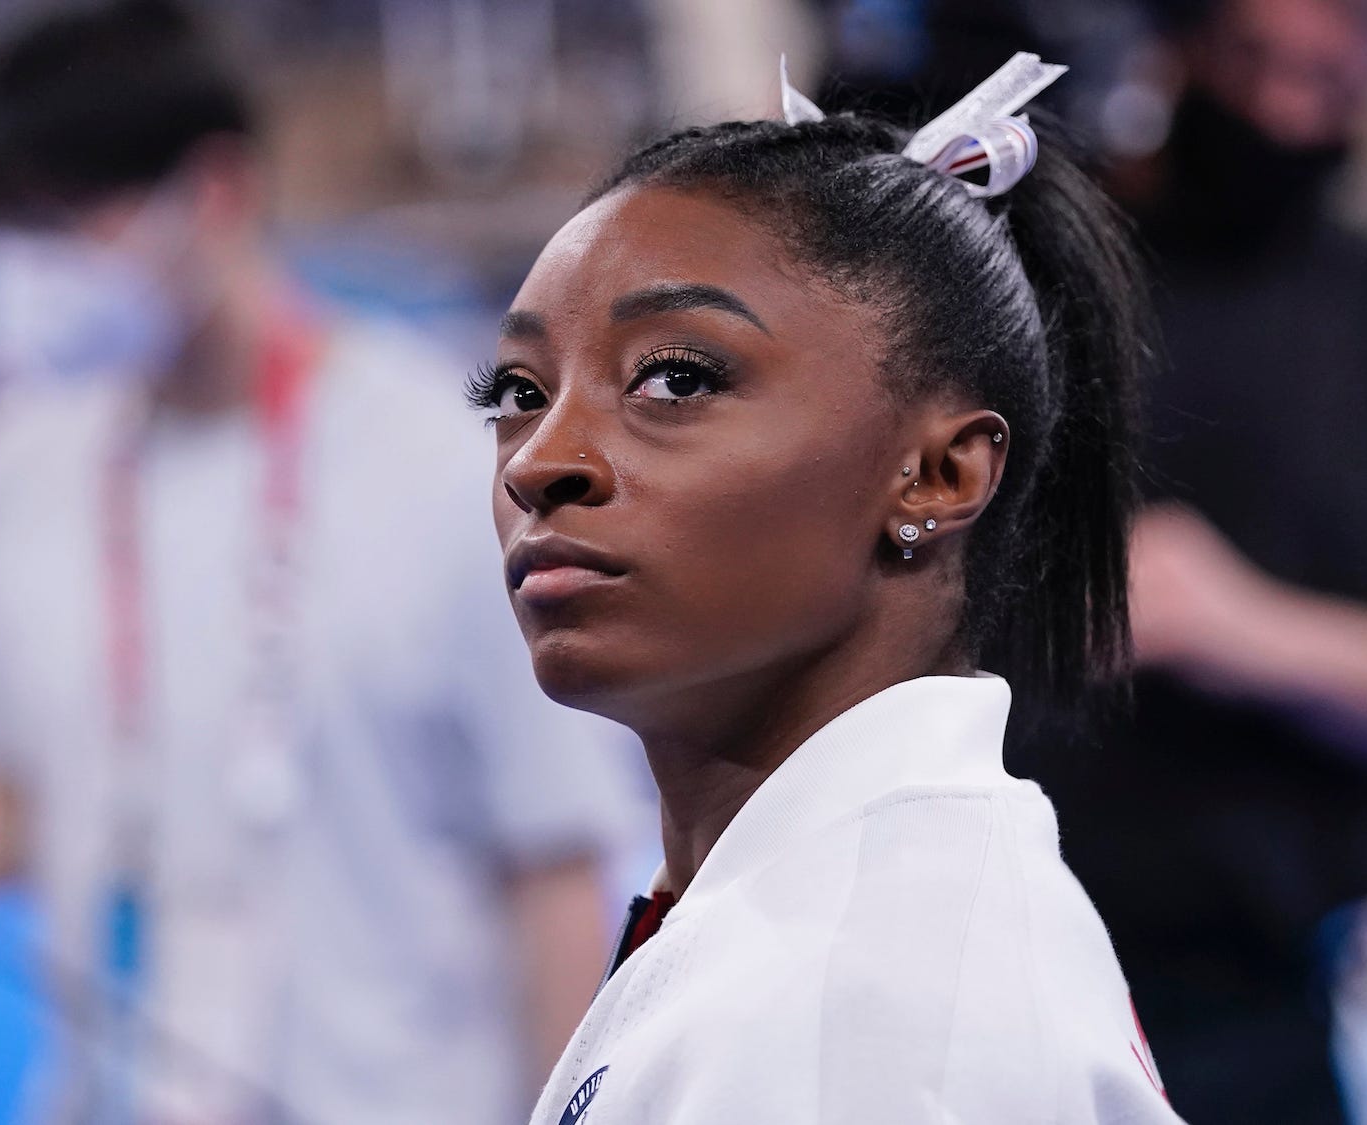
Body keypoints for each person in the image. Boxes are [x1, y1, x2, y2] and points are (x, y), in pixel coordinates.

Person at [0, 2, 634, 1121]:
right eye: (10, 233)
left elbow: (551, 865)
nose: (34, 275)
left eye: (69, 224)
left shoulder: (442, 470)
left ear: (212, 192)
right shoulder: (23, 466)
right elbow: (8, 791)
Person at [470, 54, 1184, 1123]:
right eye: (520, 392)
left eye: (676, 378)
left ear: (939, 474)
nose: (537, 461)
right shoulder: (800, 929)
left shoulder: (871, 1011)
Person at [1006, 0, 1367, 1121]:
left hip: (1278, 986)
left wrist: (1229, 625)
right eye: (1256, 63)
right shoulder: (1046, 270)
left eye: (1326, 82)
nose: (1286, 110)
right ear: (1185, 45)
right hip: (1014, 950)